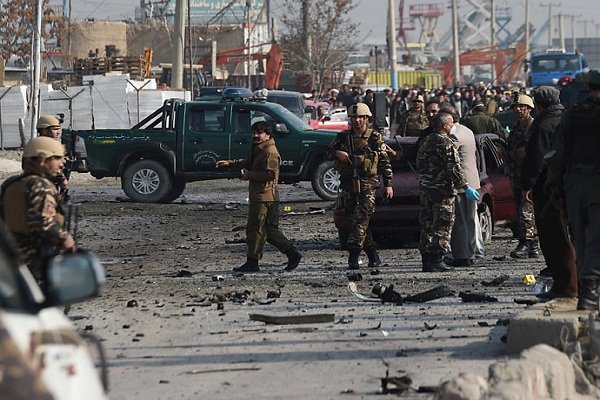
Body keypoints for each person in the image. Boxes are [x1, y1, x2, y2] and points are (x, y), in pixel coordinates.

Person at [216, 121, 302, 273]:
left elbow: (270, 174)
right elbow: (249, 163)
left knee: (257, 230)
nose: (255, 135)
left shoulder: (270, 152)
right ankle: (290, 254)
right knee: (267, 231)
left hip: (265, 197)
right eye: (254, 132)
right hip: (261, 195)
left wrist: (249, 175)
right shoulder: (260, 149)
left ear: (267, 135)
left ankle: (255, 262)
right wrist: (230, 164)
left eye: (259, 133)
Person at [521, 86, 577, 300]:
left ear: (538, 105)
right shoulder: (569, 119)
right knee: (572, 236)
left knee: (554, 236)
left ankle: (565, 286)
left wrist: (527, 185)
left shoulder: (543, 125)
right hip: (571, 186)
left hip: (548, 188)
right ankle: (575, 282)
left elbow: (535, 159)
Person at [0, 136, 76, 288]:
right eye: (57, 158)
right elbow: (42, 221)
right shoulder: (41, 185)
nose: (62, 164)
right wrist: (65, 238)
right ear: (42, 161)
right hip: (34, 257)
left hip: (10, 256)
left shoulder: (11, 183)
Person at [553, 70, 600, 310]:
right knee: (596, 240)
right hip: (596, 185)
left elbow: (558, 154)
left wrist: (557, 188)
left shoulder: (572, 114)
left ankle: (586, 289)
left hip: (573, 184)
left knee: (580, 239)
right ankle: (590, 292)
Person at [327, 103, 393, 269]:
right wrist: (337, 153)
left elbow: (384, 161)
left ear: (366, 119)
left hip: (368, 184)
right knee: (356, 221)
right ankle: (372, 255)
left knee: (361, 219)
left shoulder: (374, 137)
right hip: (349, 184)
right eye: (354, 118)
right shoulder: (344, 137)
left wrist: (388, 184)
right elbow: (326, 152)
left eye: (361, 118)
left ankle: (353, 256)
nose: (357, 121)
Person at [416, 113, 480, 272]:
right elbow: (454, 168)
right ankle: (437, 259)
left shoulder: (426, 141)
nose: (453, 126)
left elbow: (419, 164)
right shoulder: (447, 143)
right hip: (443, 190)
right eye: (451, 123)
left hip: (426, 188)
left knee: (427, 224)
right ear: (444, 126)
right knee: (443, 225)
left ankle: (426, 260)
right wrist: (465, 187)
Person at [440, 106, 481, 267]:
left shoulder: (454, 136)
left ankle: (462, 256)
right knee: (470, 220)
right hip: (472, 181)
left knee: (460, 222)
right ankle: (471, 253)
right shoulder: (467, 130)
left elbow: (450, 161)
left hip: (461, 184)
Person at [506, 94, 540, 260]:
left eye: (522, 107)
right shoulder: (515, 130)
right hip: (516, 176)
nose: (518, 110)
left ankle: (526, 242)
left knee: (527, 211)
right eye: (516, 107)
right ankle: (532, 245)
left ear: (529, 108)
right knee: (521, 211)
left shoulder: (535, 128)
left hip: (531, 176)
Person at [36, 115, 69, 202]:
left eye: (58, 129)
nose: (58, 132)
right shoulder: (46, 146)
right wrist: (62, 179)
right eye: (55, 129)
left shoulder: (36, 143)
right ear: (44, 130)